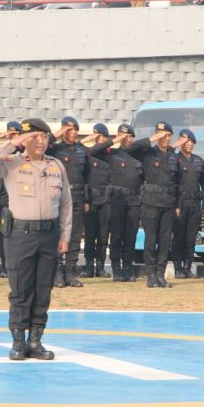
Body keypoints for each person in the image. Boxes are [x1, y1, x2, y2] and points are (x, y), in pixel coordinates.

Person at [0, 118, 71, 361]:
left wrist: (65, 235)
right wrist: (15, 143)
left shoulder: (56, 166)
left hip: (49, 235)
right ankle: (18, 342)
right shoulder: (11, 163)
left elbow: (66, 204)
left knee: (43, 289)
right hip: (21, 235)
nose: (41, 141)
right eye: (35, 136)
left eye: (45, 137)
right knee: (21, 289)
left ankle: (36, 340)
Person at [124, 121, 179, 288]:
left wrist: (178, 204)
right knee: (151, 239)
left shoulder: (173, 157)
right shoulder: (147, 153)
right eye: (161, 135)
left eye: (167, 135)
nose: (164, 138)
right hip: (151, 203)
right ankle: (151, 276)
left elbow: (178, 182)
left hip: (168, 203)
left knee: (164, 241)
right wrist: (152, 138)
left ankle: (161, 275)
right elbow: (129, 149)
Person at [91, 124, 143, 282]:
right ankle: (116, 267)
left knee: (130, 235)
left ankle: (128, 266)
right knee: (116, 235)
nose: (128, 139)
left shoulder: (139, 156)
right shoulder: (112, 153)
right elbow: (93, 151)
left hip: (134, 200)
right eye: (124, 136)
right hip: (117, 199)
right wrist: (115, 140)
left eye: (130, 136)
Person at [49, 116, 89, 288]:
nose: (73, 134)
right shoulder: (55, 148)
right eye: (69, 130)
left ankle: (70, 272)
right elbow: (45, 144)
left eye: (75, 130)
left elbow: (88, 176)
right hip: (59, 197)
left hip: (78, 197)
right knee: (59, 235)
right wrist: (59, 133)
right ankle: (57, 273)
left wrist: (87, 199)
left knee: (74, 236)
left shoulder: (82, 150)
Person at [171, 129, 204, 279]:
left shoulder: (198, 161)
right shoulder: (175, 160)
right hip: (180, 204)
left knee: (191, 237)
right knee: (178, 237)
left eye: (192, 142)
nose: (190, 145)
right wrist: (175, 205)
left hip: (195, 203)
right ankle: (178, 268)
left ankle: (188, 267)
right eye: (187, 142)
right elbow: (172, 184)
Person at [0, 121, 23, 278]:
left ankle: (19, 264)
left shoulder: (25, 150)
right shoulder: (2, 149)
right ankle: (5, 266)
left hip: (21, 198)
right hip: (4, 198)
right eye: (11, 134)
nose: (14, 137)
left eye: (16, 134)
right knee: (5, 232)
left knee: (21, 232)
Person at [80, 123, 112, 278]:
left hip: (106, 199)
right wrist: (85, 199)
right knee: (90, 234)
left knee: (103, 235)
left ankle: (100, 266)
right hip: (91, 199)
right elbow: (84, 178)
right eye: (96, 136)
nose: (98, 139)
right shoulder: (89, 153)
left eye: (100, 136)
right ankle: (88, 266)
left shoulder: (110, 154)